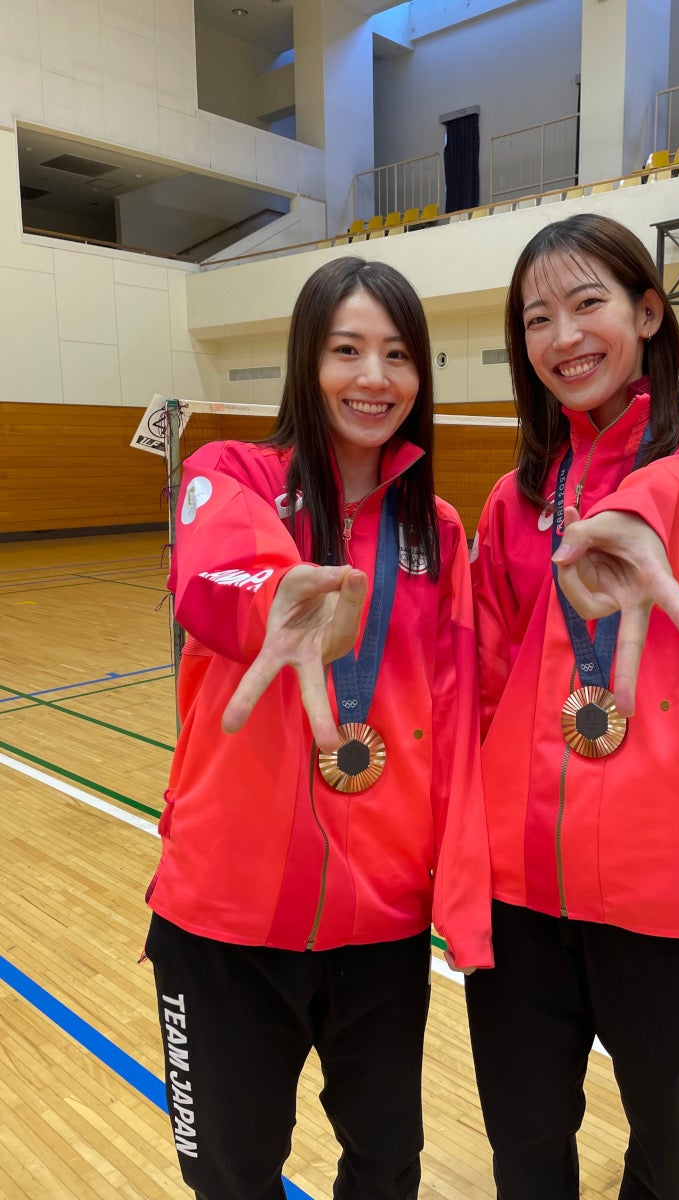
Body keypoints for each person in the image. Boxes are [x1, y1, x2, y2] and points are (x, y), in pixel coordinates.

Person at [143, 256, 493, 1200]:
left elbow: (458, 720)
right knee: (232, 1174)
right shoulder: (234, 476)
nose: (373, 379)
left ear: (421, 377)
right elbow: (214, 577)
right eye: (347, 351)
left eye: (396, 355)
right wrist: (273, 600)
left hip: (380, 923)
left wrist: (458, 901)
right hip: (224, 918)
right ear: (308, 359)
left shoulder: (441, 533)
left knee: (385, 1169)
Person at [465, 213, 679, 1200]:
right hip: (517, 902)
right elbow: (479, 693)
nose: (563, 336)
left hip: (667, 899)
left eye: (588, 303)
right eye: (537, 318)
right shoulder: (514, 505)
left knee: (673, 1152)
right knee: (525, 1148)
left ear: (649, 312)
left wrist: (636, 518)